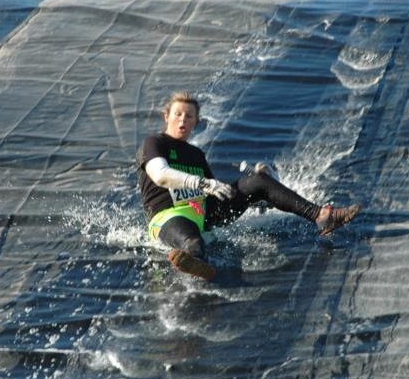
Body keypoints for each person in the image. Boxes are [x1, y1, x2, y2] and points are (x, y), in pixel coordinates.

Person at [136, 91, 360, 281]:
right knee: (193, 242)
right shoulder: (154, 143)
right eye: (178, 114)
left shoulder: (196, 154)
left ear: (196, 121)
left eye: (189, 116)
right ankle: (196, 263)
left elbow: (215, 193)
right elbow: (160, 175)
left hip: (203, 213)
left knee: (258, 180)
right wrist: (202, 182)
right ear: (167, 116)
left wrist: (265, 193)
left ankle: (321, 216)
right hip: (168, 216)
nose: (183, 120)